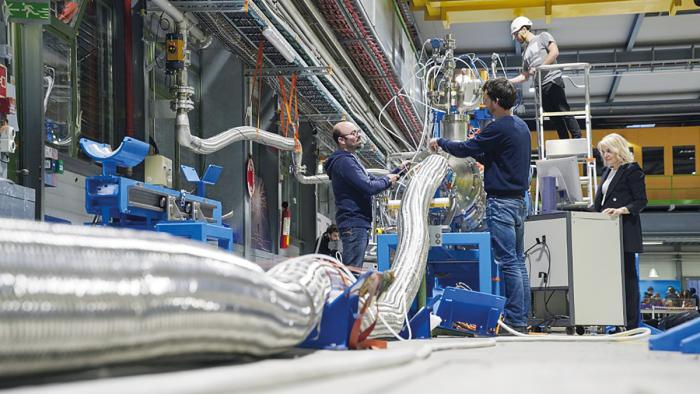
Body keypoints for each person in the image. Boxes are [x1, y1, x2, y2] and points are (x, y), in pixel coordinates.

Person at [429, 78, 532, 332]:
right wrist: (477, 149)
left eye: (485, 98)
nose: (483, 102)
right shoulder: (520, 126)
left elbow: (465, 148)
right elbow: (487, 153)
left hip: (502, 203)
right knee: (517, 261)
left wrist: (441, 143)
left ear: (495, 102)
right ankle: (522, 318)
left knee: (509, 262)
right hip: (519, 203)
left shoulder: (498, 127)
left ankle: (515, 319)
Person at [324, 121, 401, 268]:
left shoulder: (351, 160)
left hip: (357, 224)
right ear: (341, 140)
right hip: (354, 224)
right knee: (352, 271)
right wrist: (388, 181)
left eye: (358, 132)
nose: (358, 136)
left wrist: (398, 171)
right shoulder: (344, 162)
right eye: (353, 134)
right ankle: (349, 292)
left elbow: (373, 180)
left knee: (354, 269)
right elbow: (369, 187)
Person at [594, 133, 647, 329]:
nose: (605, 155)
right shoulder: (607, 173)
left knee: (628, 279)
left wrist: (621, 210)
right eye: (603, 152)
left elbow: (641, 201)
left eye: (609, 151)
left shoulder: (632, 170)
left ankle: (631, 325)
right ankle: (617, 322)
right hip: (607, 232)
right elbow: (598, 205)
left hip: (624, 230)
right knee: (612, 280)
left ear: (619, 150)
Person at [508, 16, 581, 140]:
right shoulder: (525, 53)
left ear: (524, 29)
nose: (515, 38)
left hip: (553, 81)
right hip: (541, 88)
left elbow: (554, 52)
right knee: (555, 118)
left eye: (516, 34)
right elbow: (525, 75)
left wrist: (539, 68)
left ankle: (577, 137)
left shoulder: (543, 37)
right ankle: (564, 142)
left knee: (563, 110)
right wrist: (509, 81)